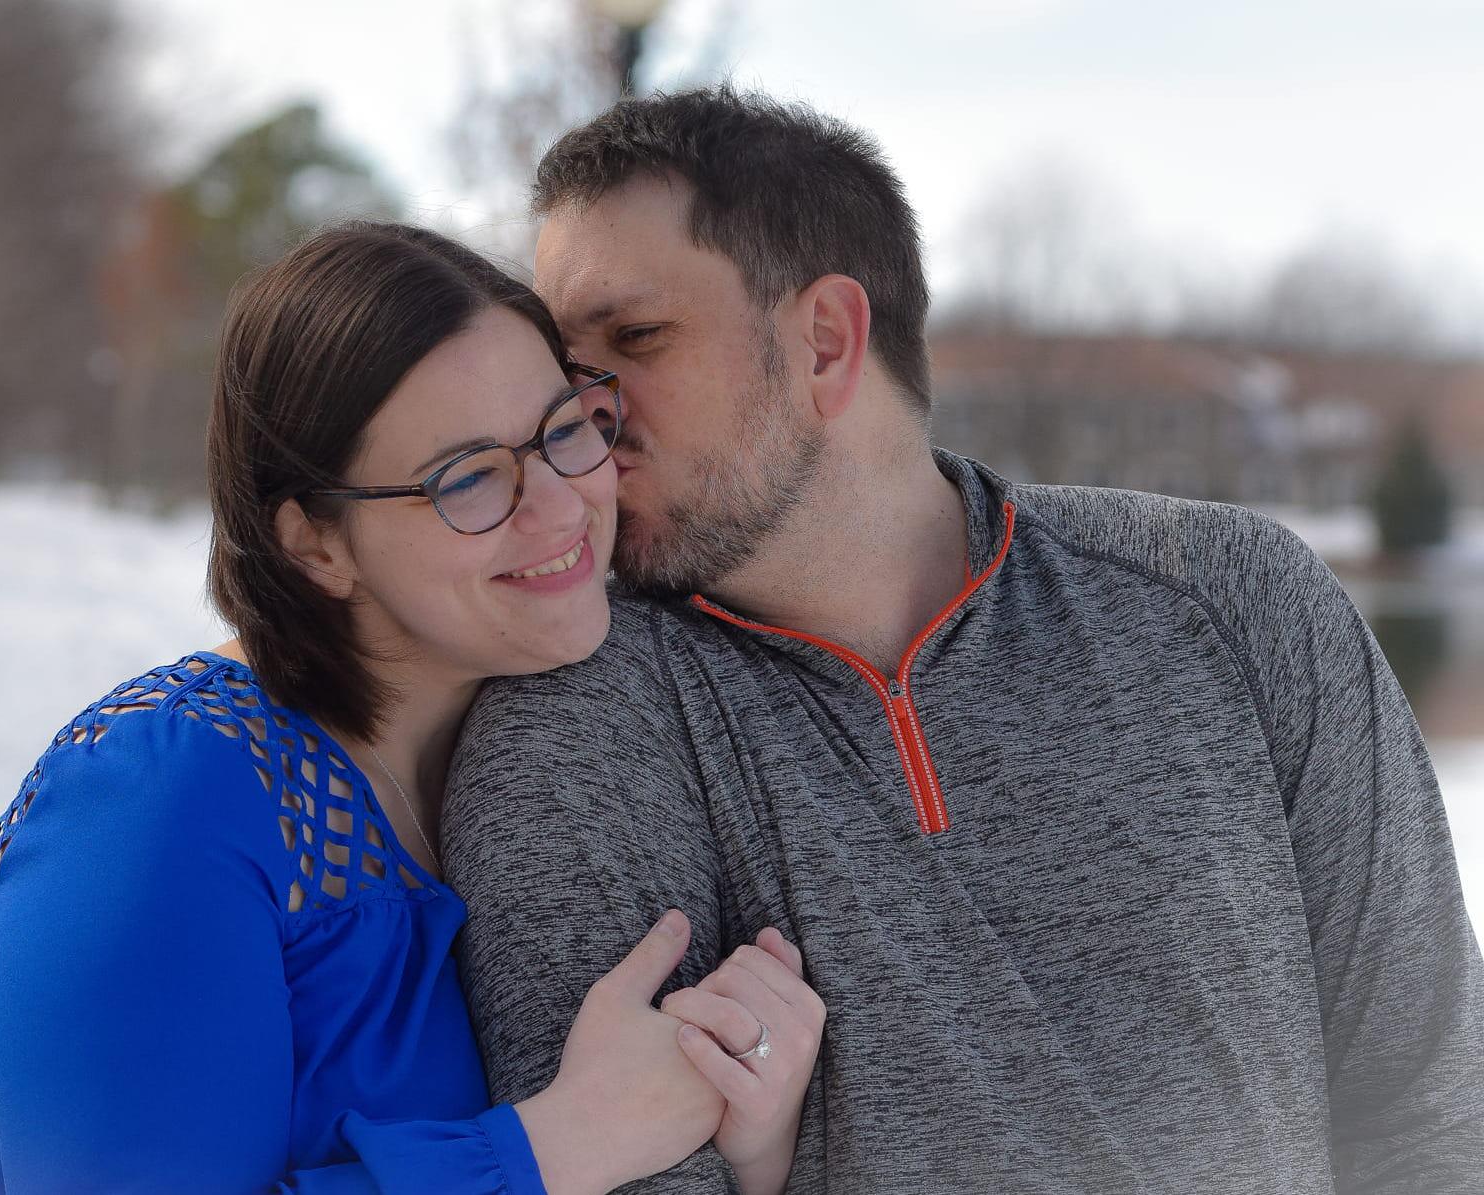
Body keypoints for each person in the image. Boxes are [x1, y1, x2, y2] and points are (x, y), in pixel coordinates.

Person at [443, 87, 1484, 1193]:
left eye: (635, 339)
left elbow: (1430, 1113)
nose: (583, 414)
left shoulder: (1235, 599)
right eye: (567, 370)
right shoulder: (575, 727)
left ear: (826, 342)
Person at [0, 221, 824, 1193]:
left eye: (564, 429)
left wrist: (748, 1147)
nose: (562, 505)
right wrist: (559, 1145)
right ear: (315, 543)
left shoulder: (558, 745)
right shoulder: (153, 803)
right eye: (469, 477)